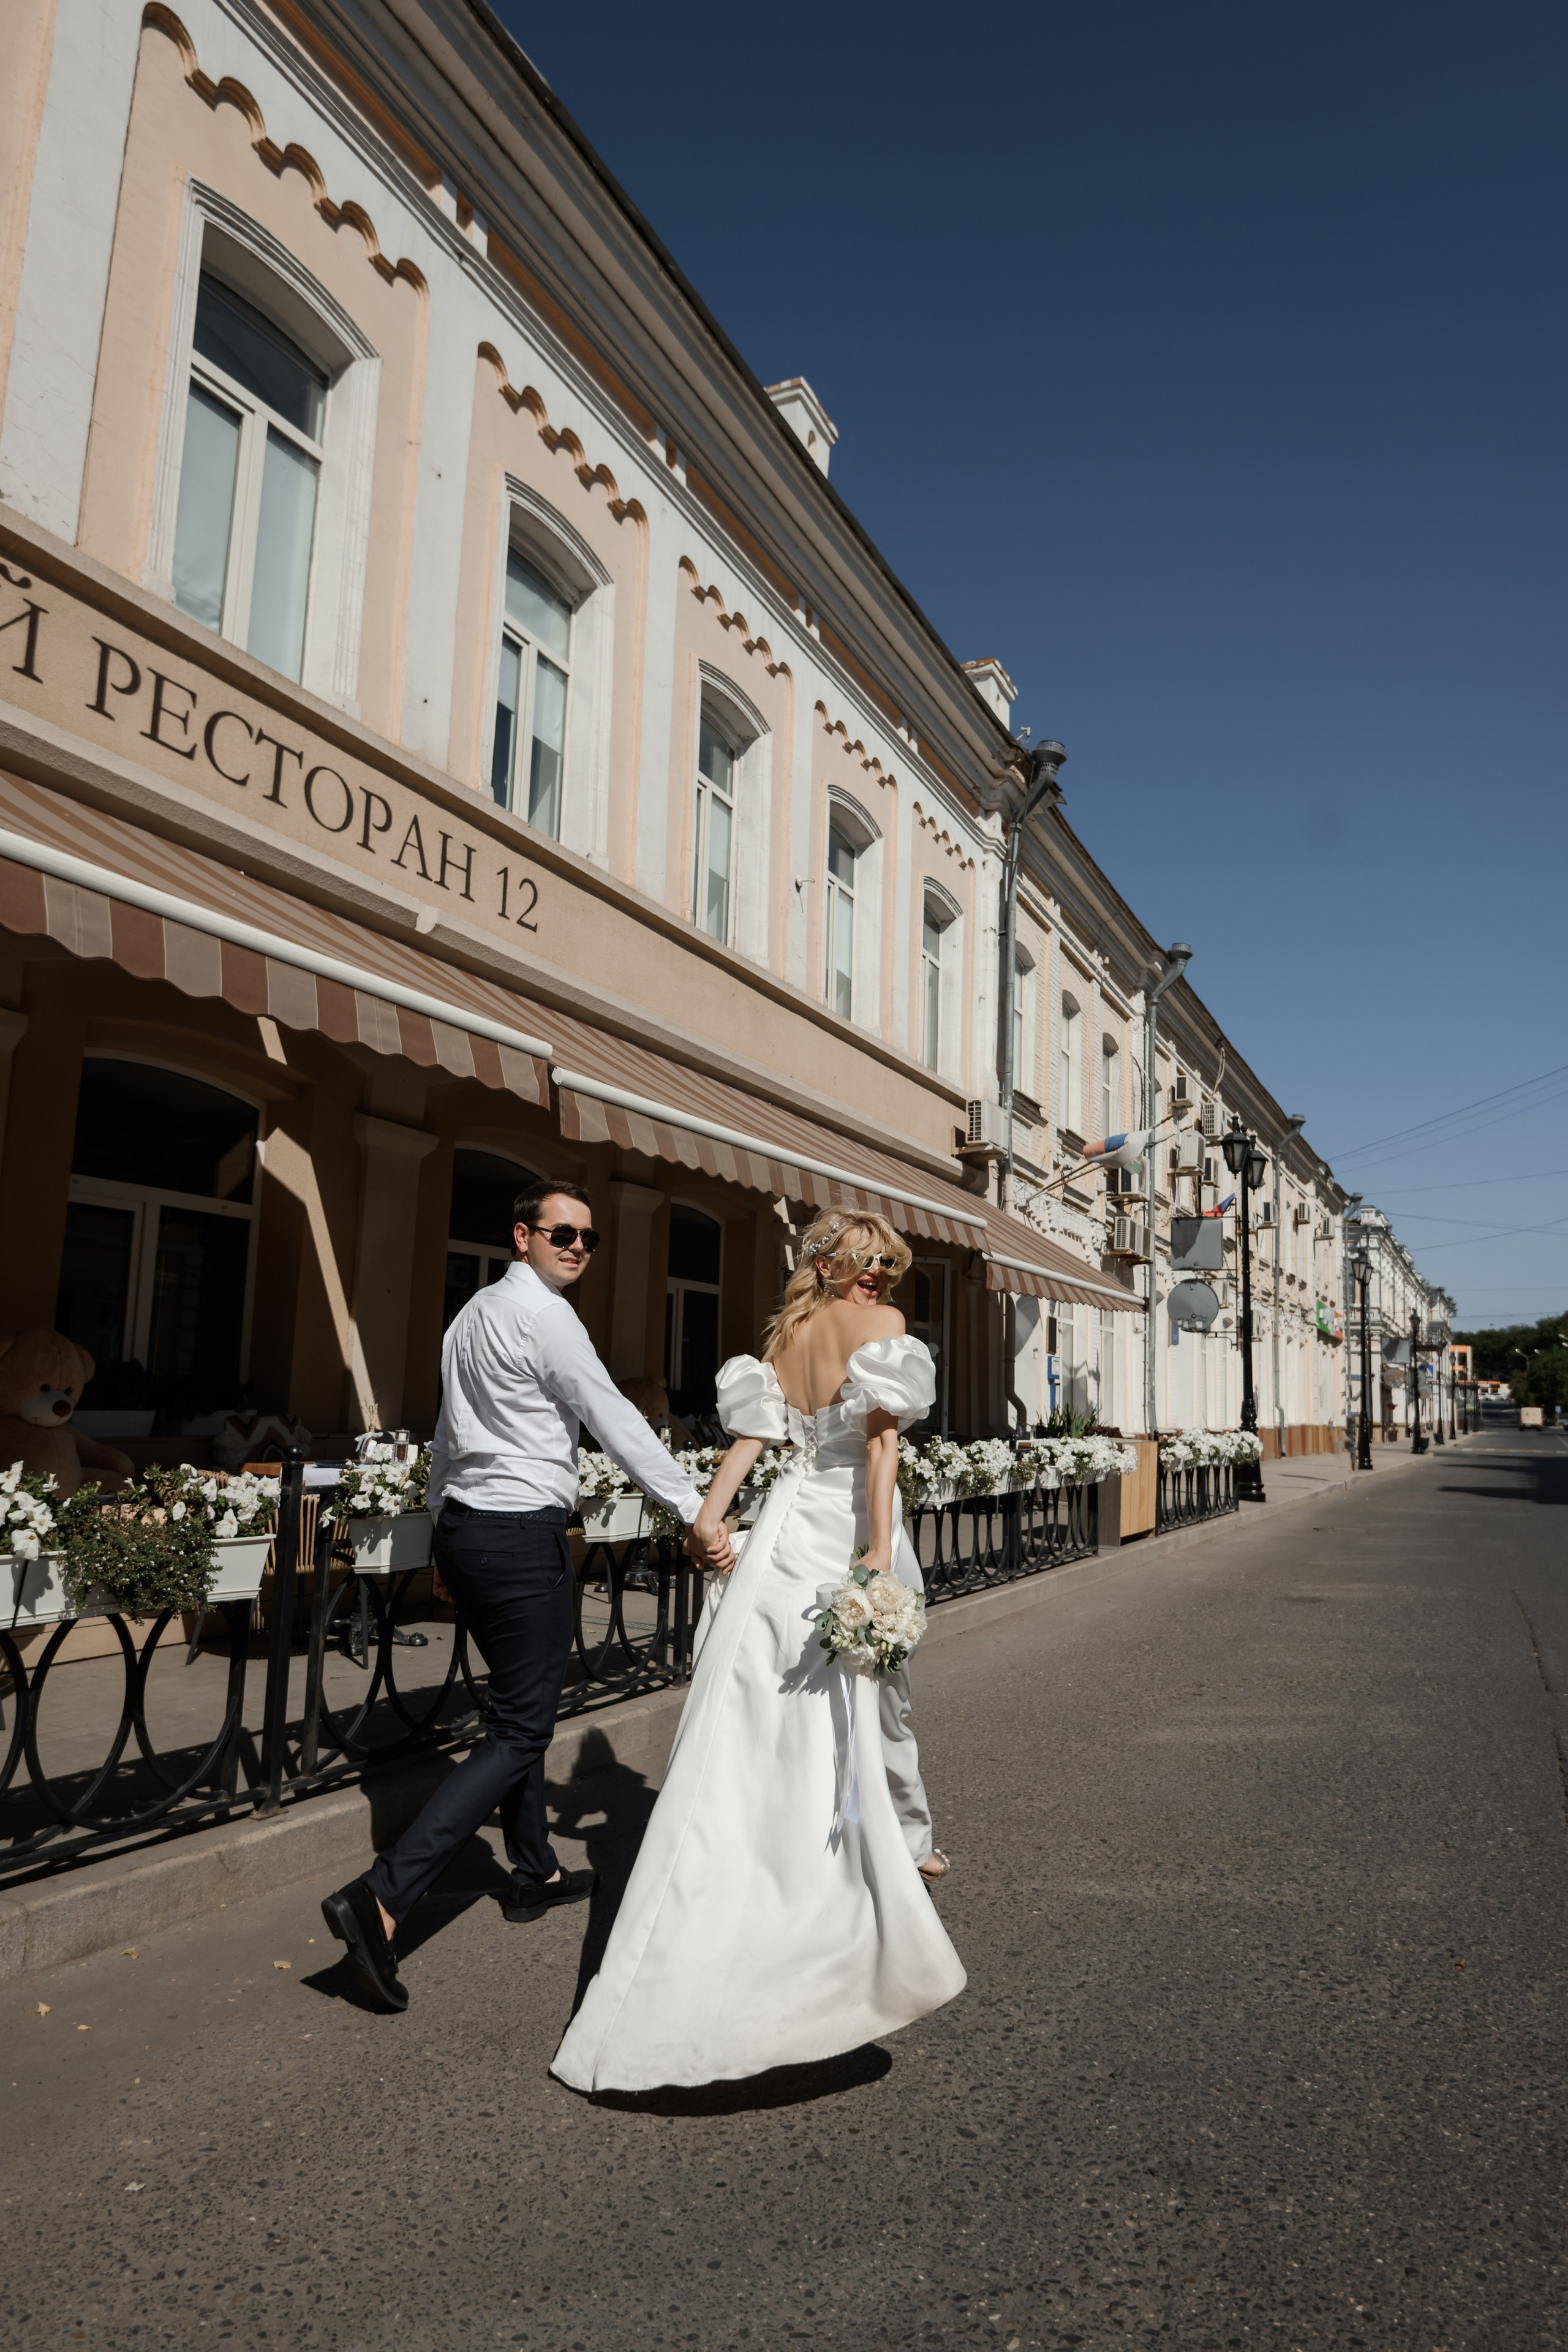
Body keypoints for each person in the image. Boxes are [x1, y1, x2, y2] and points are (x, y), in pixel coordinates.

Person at [551, 1208, 965, 2095]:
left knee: (773, 1705)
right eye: (864, 1263)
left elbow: (754, 1444)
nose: (880, 1281)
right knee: (856, 1696)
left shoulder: (785, 1339)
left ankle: (872, 1836)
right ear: (824, 1261)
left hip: (782, 1528)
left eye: (889, 1268)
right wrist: (875, 1550)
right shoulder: (881, 1333)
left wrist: (708, 1517)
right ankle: (869, 1860)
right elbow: (883, 1447)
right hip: (843, 1523)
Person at [322, 1180, 731, 2011]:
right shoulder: (548, 1318)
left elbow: (447, 1429)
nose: (577, 1247)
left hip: (469, 1531)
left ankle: (534, 1868)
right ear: (522, 1235)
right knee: (521, 1725)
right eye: (561, 1234)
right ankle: (384, 1898)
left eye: (589, 1237)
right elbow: (614, 1418)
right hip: (515, 1536)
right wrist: (695, 1512)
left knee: (515, 1705)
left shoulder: (471, 1315)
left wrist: (441, 1527)